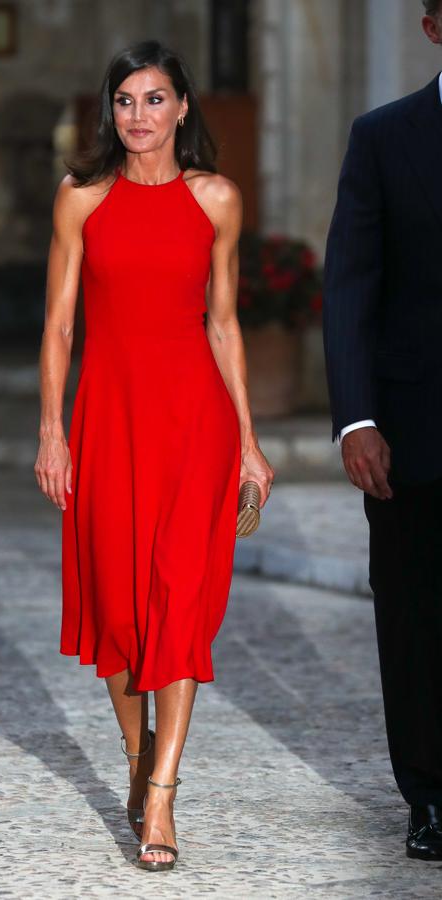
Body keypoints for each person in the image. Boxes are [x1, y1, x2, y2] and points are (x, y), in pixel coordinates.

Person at [34, 40, 273, 871]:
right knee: (117, 609)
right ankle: (139, 760)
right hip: (107, 419)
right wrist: (51, 431)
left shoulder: (217, 199)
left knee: (176, 597)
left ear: (181, 107)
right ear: (112, 111)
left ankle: (162, 792)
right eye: (125, 100)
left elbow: (224, 323)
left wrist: (247, 440)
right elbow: (60, 326)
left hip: (192, 424)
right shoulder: (81, 198)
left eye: (155, 99)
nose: (139, 115)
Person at [323, 2, 442, 863]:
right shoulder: (382, 136)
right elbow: (351, 285)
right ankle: (430, 798)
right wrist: (357, 418)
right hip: (411, 428)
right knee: (414, 620)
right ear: (434, 28)